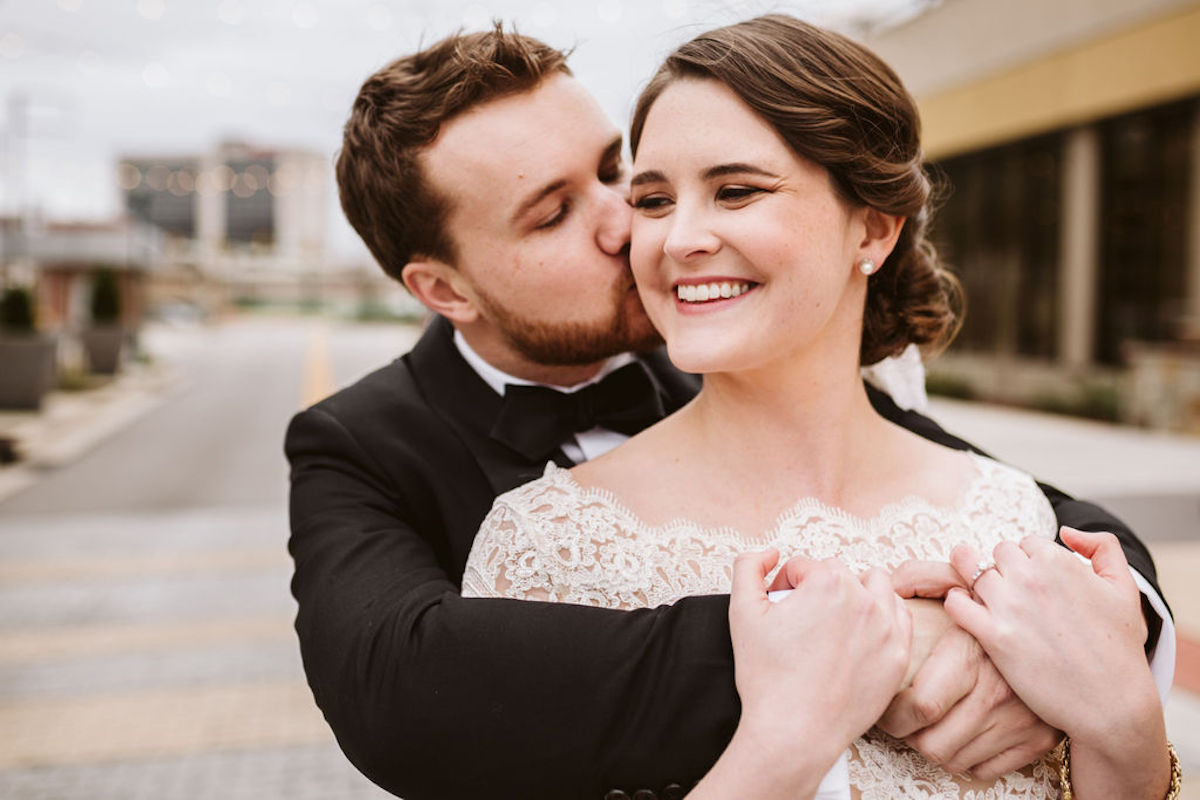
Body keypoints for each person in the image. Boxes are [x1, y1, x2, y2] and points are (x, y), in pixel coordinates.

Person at [285, 23, 1173, 800]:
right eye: (555, 213)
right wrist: (870, 645)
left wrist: (1100, 638)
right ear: (443, 289)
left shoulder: (756, 359)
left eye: (616, 178)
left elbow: (1021, 504)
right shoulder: (368, 449)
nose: (634, 230)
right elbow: (399, 686)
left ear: (873, 228)